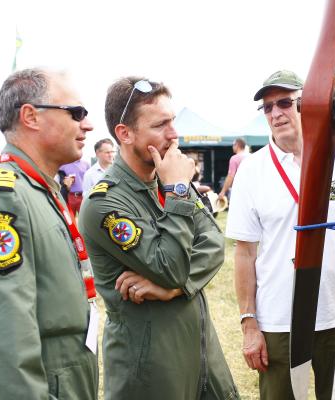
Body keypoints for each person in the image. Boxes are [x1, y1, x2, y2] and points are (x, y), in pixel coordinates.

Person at [79, 76, 239, 399]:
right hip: (151, 371)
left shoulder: (166, 179)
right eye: (160, 124)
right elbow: (169, 266)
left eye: (173, 121)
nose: (173, 134)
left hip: (201, 356)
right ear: (124, 133)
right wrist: (178, 190)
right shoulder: (104, 203)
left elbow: (213, 244)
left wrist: (173, 289)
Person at [0, 68, 98, 399]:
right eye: (76, 113)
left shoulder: (40, 189)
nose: (87, 124)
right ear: (31, 116)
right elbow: (1, 340)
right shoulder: (3, 197)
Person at [225, 70, 335, 400]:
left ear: (310, 104)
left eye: (285, 102)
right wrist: (249, 324)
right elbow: (245, 253)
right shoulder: (252, 171)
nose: (275, 113)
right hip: (279, 320)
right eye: (268, 107)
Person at [218, 137, 247, 202]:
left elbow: (230, 176)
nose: (232, 147)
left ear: (237, 145)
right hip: (251, 191)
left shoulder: (234, 158)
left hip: (239, 191)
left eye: (233, 145)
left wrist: (223, 192)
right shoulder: (251, 156)